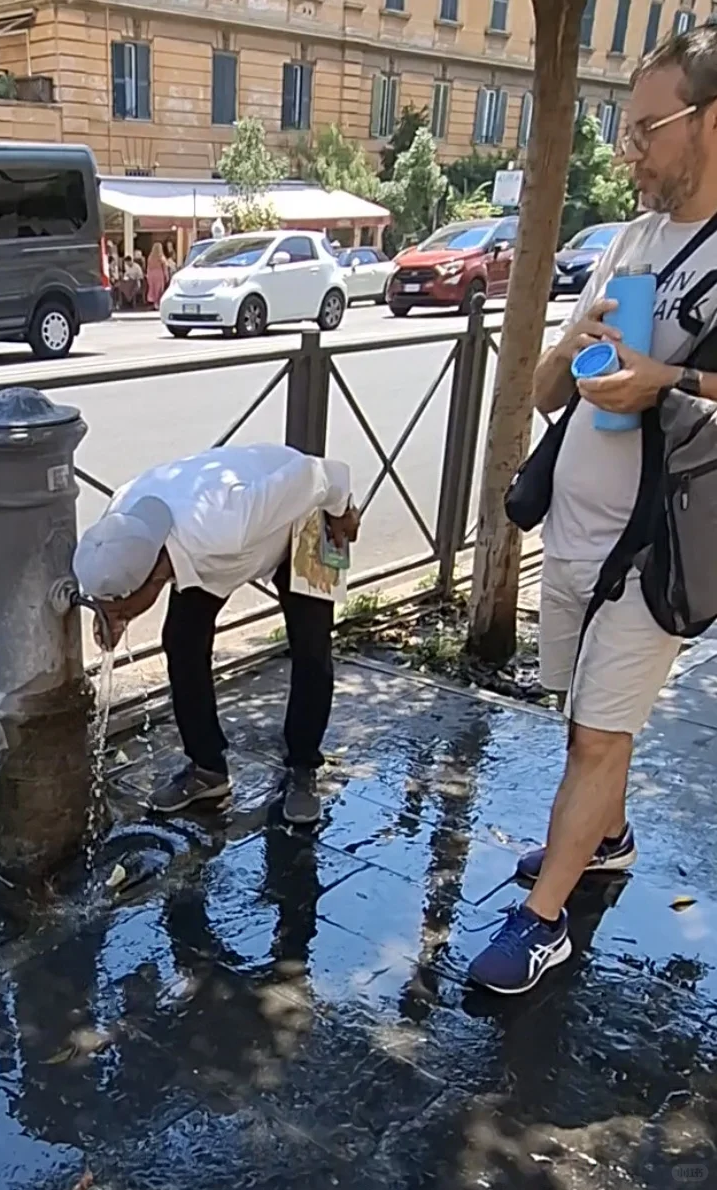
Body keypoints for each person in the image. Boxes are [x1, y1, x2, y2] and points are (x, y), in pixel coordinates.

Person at [469, 25, 717, 995]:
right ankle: (604, 839)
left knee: (596, 736)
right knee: (581, 713)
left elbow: (680, 389)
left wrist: (670, 379)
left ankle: (543, 923)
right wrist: (574, 351)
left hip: (658, 548)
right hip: (573, 533)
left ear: (708, 121)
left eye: (647, 128)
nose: (630, 150)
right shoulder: (631, 240)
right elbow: (543, 393)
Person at [73, 444, 361, 825]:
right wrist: (113, 615)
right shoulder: (120, 519)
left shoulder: (228, 523)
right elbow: (115, 578)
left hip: (301, 516)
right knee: (182, 642)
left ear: (155, 578)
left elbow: (321, 473)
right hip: (217, 553)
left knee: (311, 644)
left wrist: (342, 511)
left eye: (122, 610)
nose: (117, 617)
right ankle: (207, 769)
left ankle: (303, 768)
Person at [146, 242, 168, 308]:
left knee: (153, 288)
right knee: (159, 289)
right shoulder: (161, 257)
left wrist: (148, 275)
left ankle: (154, 302)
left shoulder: (150, 257)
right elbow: (165, 268)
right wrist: (166, 276)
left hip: (151, 274)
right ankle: (157, 303)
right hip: (159, 274)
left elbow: (148, 267)